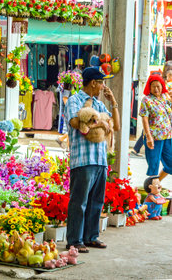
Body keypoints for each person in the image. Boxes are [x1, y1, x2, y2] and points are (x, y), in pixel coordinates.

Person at [65, 67, 120, 253]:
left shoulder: (100, 104)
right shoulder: (74, 100)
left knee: (96, 202)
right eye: (101, 82)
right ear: (93, 83)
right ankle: (74, 240)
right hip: (83, 160)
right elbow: (74, 121)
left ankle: (91, 237)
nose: (103, 86)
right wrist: (100, 122)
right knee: (79, 202)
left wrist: (113, 102)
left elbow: (117, 126)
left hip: (100, 160)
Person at [139, 73, 172, 181]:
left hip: (167, 137)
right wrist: (148, 137)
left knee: (170, 164)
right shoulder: (146, 100)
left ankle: (155, 185)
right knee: (153, 166)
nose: (156, 89)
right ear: (149, 87)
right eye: (153, 86)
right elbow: (144, 119)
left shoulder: (164, 98)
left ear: (162, 86)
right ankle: (152, 192)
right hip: (154, 138)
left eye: (158, 86)